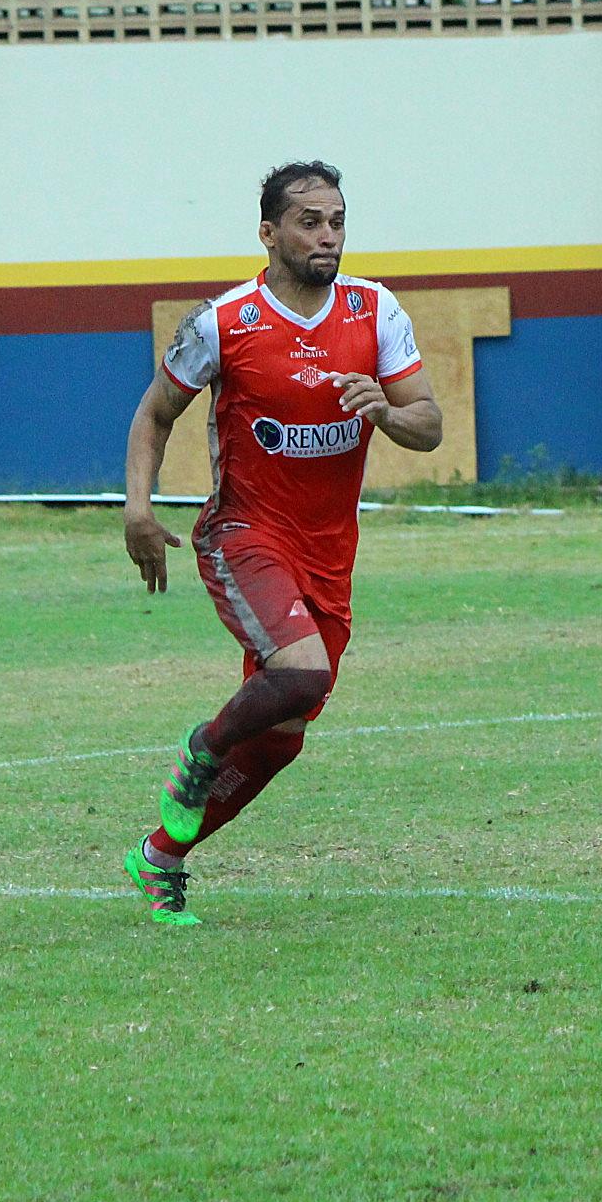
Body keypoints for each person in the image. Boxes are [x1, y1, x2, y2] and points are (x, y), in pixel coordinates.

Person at [120, 162, 443, 925]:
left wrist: (386, 413)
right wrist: (138, 510)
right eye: (309, 222)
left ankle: (160, 856)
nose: (327, 235)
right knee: (300, 675)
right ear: (268, 233)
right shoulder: (223, 323)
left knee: (284, 735)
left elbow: (428, 424)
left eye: (337, 221)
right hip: (244, 534)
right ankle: (202, 751)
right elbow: (156, 413)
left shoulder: (375, 310)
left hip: (329, 554)